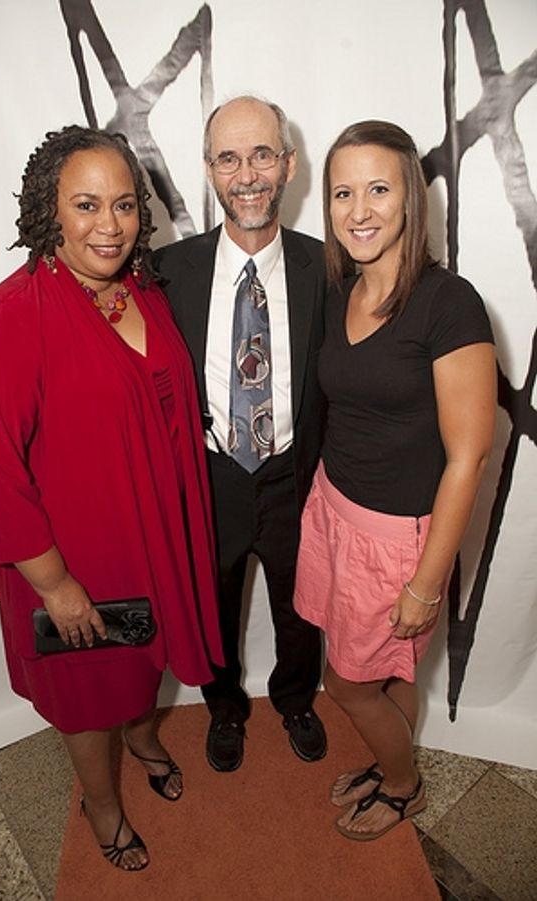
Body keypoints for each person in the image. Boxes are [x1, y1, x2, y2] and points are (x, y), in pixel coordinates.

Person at [0, 125, 223, 871]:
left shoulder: (140, 289)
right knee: (86, 696)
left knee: (139, 665)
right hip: (72, 559)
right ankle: (102, 806)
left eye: (125, 204)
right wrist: (55, 584)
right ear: (49, 210)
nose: (110, 224)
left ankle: (141, 738)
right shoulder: (12, 318)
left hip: (149, 537)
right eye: (86, 204)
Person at [293, 120, 496, 840]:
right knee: (389, 671)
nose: (358, 210)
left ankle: (404, 785)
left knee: (345, 683)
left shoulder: (449, 303)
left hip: (398, 541)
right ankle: (392, 759)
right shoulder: (341, 288)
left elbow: (469, 457)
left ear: (410, 195)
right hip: (335, 510)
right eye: (342, 192)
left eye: (377, 189)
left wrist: (426, 584)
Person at [154, 96, 327, 772]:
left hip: (294, 475)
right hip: (211, 476)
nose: (246, 175)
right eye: (228, 158)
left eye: (261, 155)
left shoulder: (327, 269)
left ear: (289, 164)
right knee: (213, 606)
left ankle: (296, 700)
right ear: (209, 170)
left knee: (300, 607)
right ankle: (224, 708)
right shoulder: (167, 272)